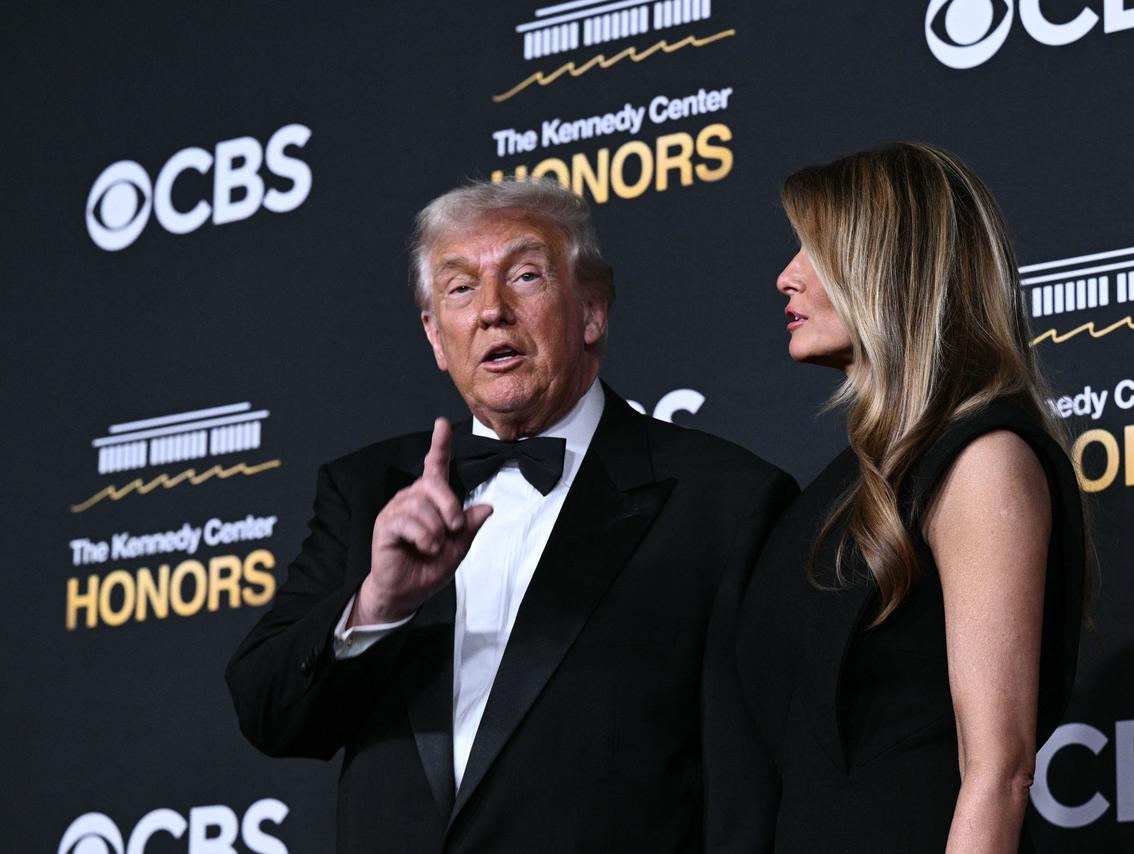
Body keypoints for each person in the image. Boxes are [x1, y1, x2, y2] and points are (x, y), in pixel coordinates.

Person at [225, 178, 798, 853]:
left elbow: (745, 795)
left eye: (524, 276)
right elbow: (268, 712)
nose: (491, 311)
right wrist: (377, 602)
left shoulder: (724, 501)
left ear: (591, 310)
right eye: (460, 288)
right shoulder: (367, 489)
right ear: (437, 337)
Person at [736, 143, 1088, 853]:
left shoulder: (983, 459)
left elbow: (999, 771)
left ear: (888, 267)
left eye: (814, 250)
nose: (785, 276)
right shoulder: (844, 488)